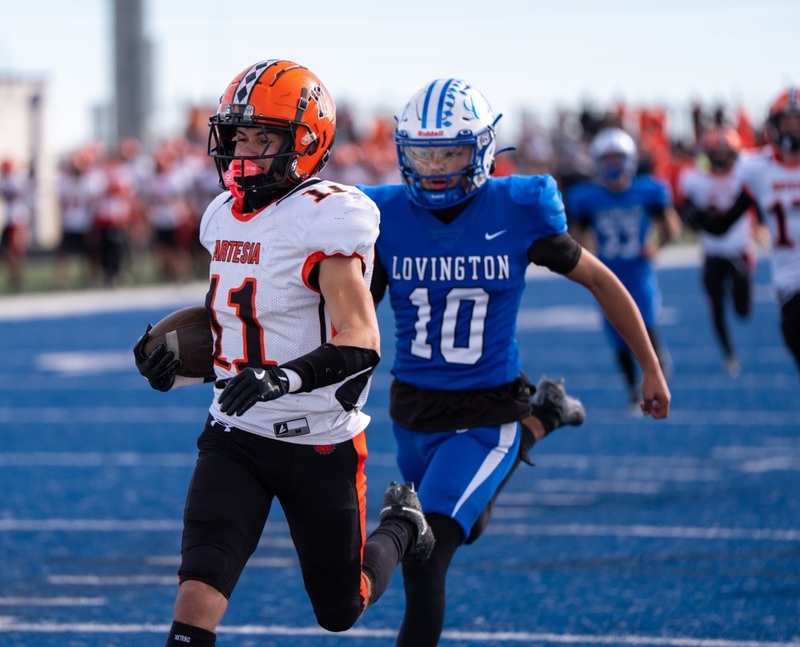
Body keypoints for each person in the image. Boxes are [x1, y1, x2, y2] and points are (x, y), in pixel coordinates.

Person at [132, 59, 435, 647]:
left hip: (318, 439)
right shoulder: (221, 215)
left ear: (306, 142)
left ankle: (401, 525)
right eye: (237, 135)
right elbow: (241, 326)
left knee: (340, 609)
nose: (243, 150)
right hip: (235, 435)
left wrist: (283, 379)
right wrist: (173, 362)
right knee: (197, 595)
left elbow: (361, 338)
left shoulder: (327, 215)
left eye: (261, 138)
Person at [359, 78, 671, 647]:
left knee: (426, 555)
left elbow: (603, 280)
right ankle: (544, 419)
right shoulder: (382, 215)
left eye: (451, 152)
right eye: (424, 153)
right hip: (412, 410)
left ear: (481, 150)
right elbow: (353, 314)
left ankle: (525, 426)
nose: (435, 167)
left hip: (486, 412)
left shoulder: (517, 207)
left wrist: (649, 365)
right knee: (468, 525)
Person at [566, 127, 682, 410]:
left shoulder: (648, 191)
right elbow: (575, 236)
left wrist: (657, 245)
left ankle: (655, 370)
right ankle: (632, 389)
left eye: (617, 158)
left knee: (646, 323)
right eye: (607, 159)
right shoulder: (588, 197)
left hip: (638, 271)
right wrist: (586, 255)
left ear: (629, 159)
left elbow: (671, 225)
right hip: (607, 273)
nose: (613, 165)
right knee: (616, 334)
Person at [697, 88, 800, 375]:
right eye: (787, 122)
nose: (793, 128)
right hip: (789, 285)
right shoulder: (758, 169)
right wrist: (697, 217)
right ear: (774, 126)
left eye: (798, 122)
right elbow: (724, 222)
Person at [677, 124, 763, 376]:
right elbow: (683, 207)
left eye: (726, 152)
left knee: (743, 310)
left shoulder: (744, 176)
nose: (721, 157)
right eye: (716, 151)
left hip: (740, 251)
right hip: (713, 252)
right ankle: (728, 354)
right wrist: (690, 216)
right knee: (715, 306)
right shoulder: (695, 179)